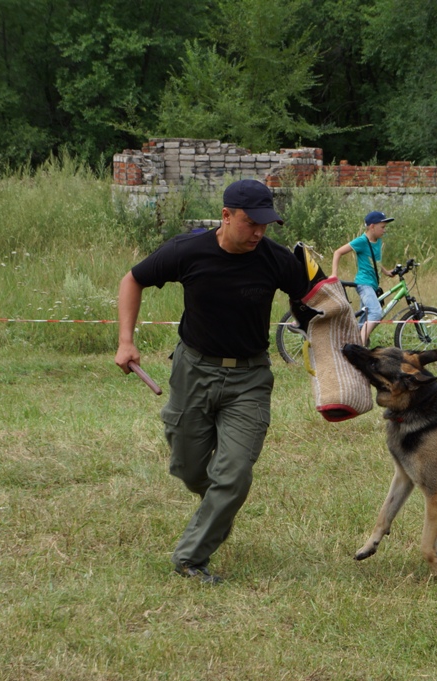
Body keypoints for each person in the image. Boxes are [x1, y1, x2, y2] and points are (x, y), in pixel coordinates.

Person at [115, 179, 322, 584]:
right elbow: (132, 280)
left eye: (266, 225)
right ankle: (217, 514)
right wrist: (126, 341)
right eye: (250, 223)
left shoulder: (274, 259)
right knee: (189, 469)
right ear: (225, 216)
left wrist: (335, 335)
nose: (259, 233)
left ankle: (190, 559)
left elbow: (315, 303)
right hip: (194, 370)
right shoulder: (187, 251)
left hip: (249, 378)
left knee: (235, 474)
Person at [331, 211, 395, 345]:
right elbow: (338, 252)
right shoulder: (361, 241)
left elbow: (375, 261)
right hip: (364, 284)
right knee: (376, 313)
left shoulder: (378, 241)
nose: (384, 230)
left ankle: (352, 343)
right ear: (372, 227)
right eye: (382, 227)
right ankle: (359, 347)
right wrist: (334, 274)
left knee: (363, 323)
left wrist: (386, 272)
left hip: (373, 285)